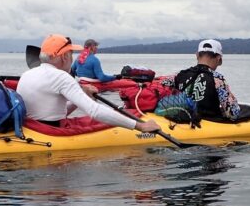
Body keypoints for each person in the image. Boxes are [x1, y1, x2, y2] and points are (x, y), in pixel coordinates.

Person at [17, 34, 161, 133]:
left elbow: (51, 113)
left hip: (36, 129)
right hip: (55, 132)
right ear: (65, 56)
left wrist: (80, 97)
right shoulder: (61, 77)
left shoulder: (26, 75)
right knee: (123, 117)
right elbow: (94, 111)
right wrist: (139, 126)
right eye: (71, 54)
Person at [169, 39, 250, 122]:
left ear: (197, 55)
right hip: (208, 123)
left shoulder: (178, 75)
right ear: (218, 58)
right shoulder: (217, 78)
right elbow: (232, 114)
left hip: (182, 120)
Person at [70, 39, 136, 92]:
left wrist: (80, 76)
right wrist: (115, 77)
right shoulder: (94, 60)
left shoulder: (78, 58)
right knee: (132, 84)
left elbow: (71, 70)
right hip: (94, 86)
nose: (97, 48)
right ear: (91, 48)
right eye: (96, 46)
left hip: (82, 84)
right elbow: (102, 78)